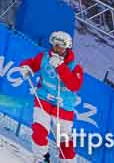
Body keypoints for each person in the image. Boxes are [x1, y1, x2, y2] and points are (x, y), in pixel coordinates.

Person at [19, 30, 82, 162]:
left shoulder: (75, 67)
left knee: (65, 141)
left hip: (63, 107)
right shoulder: (44, 57)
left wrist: (61, 67)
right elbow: (32, 63)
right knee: (39, 131)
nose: (57, 49)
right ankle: (41, 157)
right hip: (43, 99)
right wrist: (26, 67)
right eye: (55, 45)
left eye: (61, 46)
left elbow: (74, 85)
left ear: (67, 47)